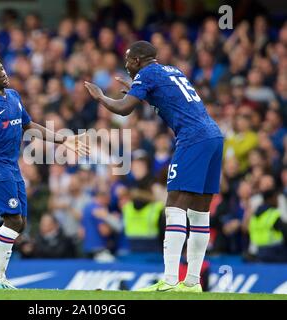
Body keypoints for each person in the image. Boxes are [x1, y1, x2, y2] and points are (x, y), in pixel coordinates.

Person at [84, 41, 224, 292]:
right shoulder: (172, 70)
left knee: (174, 206)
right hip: (213, 135)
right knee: (200, 211)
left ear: (138, 60)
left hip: (192, 138)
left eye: (128, 60)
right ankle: (192, 283)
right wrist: (140, 92)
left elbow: (124, 109)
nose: (126, 65)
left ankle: (170, 280)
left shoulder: (147, 74)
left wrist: (101, 97)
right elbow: (172, 99)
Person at [0, 57, 89, 289]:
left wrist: (63, 139)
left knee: (19, 224)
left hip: (12, 166)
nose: (3, 73)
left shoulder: (13, 96)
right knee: (12, 220)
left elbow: (28, 125)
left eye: (1, 68)